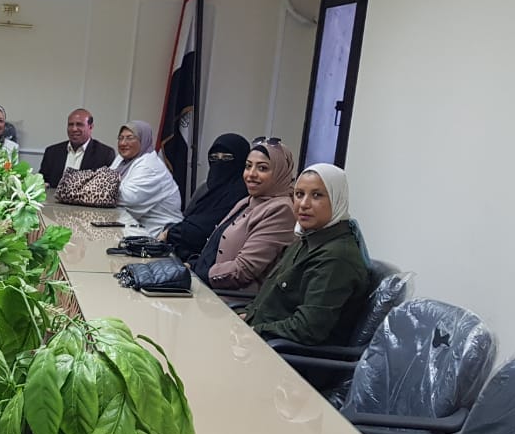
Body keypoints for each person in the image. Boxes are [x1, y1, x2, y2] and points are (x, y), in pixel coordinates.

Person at [245, 163, 371, 346]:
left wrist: (254, 331)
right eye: (299, 194)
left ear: (337, 199)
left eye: (317, 195)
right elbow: (270, 299)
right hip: (263, 340)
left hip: (285, 355)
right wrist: (245, 317)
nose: (304, 204)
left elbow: (307, 329)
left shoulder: (336, 257)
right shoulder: (306, 239)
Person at [193, 138, 298, 293]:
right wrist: (192, 266)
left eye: (262, 168)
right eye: (248, 166)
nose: (251, 174)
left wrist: (198, 275)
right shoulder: (248, 201)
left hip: (232, 299)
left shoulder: (281, 210)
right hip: (212, 288)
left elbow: (244, 269)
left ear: (280, 172)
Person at [158, 133, 250, 259]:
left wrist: (171, 232)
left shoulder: (241, 194)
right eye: (214, 157)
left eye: (227, 158)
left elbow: (203, 230)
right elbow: (189, 219)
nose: (219, 163)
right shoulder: (210, 187)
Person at [111, 120, 182, 235]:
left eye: (129, 138)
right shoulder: (121, 160)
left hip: (158, 234)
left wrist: (95, 189)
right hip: (130, 225)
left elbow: (127, 197)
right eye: (120, 138)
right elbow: (106, 181)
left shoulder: (150, 165)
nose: (123, 143)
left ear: (143, 140)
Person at [38, 108, 116, 187]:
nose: (74, 129)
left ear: (91, 127)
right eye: (70, 124)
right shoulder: (52, 152)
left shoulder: (104, 154)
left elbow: (106, 187)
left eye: (79, 124)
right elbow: (42, 181)